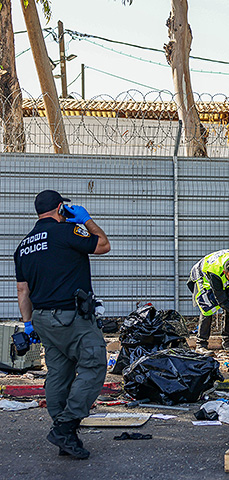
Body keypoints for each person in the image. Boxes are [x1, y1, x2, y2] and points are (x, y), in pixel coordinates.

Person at [14, 190, 111, 459]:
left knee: (59, 373)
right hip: (72, 317)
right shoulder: (68, 232)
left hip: (43, 319)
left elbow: (23, 291)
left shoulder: (24, 245)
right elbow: (103, 244)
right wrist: (86, 221)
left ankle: (64, 435)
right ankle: (66, 427)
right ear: (60, 208)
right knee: (93, 364)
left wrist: (29, 325)